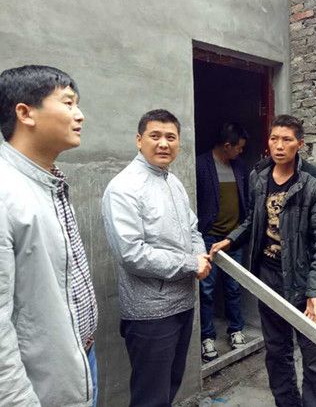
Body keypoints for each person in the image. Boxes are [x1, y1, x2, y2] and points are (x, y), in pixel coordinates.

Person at [210, 114, 316, 407]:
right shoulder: (258, 175)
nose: (279, 146)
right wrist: (231, 239)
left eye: (287, 140)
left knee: (314, 355)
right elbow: (253, 220)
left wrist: (315, 292)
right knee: (277, 350)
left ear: (300, 144)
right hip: (267, 277)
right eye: (274, 139)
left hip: (302, 281)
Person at [0, 65, 98, 406]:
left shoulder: (47, 179)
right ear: (25, 113)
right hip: (38, 386)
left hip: (79, 359)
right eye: (68, 103)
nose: (80, 115)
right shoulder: (6, 192)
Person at [102, 109, 211, 407]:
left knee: (170, 387)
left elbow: (192, 228)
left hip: (183, 303)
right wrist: (192, 264)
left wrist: (199, 254)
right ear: (139, 140)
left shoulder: (173, 182)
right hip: (150, 313)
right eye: (155, 136)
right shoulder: (123, 188)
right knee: (150, 397)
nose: (164, 143)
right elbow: (132, 254)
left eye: (171, 137)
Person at [196, 122, 249, 362]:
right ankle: (207, 336)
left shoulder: (239, 166)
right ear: (227, 145)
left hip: (233, 239)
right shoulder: (201, 165)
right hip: (209, 238)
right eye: (239, 147)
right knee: (206, 290)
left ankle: (235, 330)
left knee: (233, 287)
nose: (241, 151)